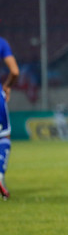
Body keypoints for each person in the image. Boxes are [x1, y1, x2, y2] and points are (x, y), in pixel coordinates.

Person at [0, 36, 20, 199]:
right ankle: (0, 173)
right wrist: (6, 86)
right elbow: (14, 72)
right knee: (4, 135)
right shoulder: (2, 43)